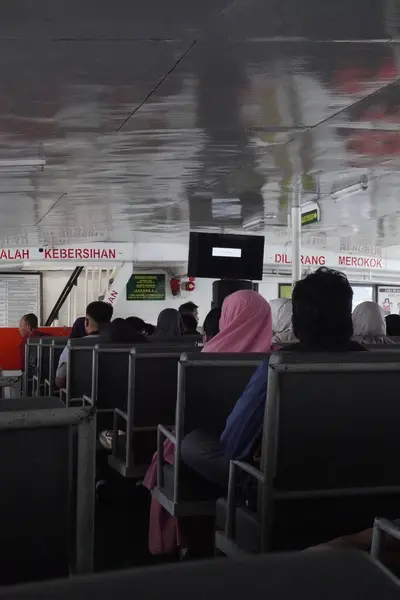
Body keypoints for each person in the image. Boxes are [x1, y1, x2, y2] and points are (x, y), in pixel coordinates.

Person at [181, 268, 366, 489]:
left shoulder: (279, 366)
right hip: (362, 473)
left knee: (193, 443)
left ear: (296, 319)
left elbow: (235, 443)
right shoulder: (379, 365)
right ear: (348, 315)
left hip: (284, 481)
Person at [144, 290, 272, 555]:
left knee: (186, 443)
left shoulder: (203, 358)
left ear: (227, 317)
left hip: (215, 456)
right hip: (264, 454)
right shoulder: (274, 360)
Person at [55, 301, 113, 389]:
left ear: (86, 322)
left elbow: (59, 381)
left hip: (78, 398)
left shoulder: (73, 345)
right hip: (113, 397)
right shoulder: (118, 344)